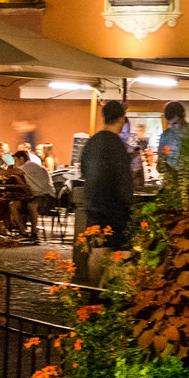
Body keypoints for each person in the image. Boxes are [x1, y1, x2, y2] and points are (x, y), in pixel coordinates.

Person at [78, 99, 137, 275]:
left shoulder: (91, 142)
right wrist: (129, 205)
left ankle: (94, 292)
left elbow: (83, 171)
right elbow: (124, 181)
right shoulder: (118, 146)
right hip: (116, 209)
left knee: (97, 249)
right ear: (121, 119)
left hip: (94, 206)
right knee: (120, 252)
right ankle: (114, 293)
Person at [155, 100, 189, 170]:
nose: (172, 127)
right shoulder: (165, 136)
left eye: (175, 123)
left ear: (183, 116)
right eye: (169, 124)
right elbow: (160, 164)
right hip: (171, 178)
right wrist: (162, 164)